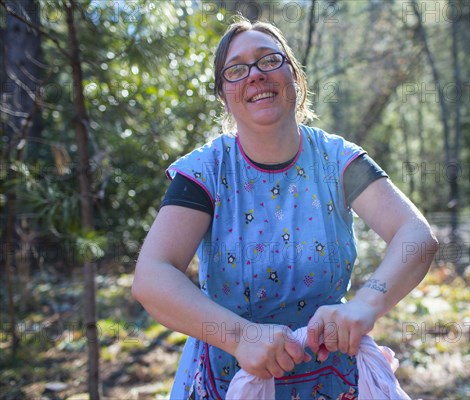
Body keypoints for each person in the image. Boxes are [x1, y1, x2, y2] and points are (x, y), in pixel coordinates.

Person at [132, 16, 438, 400]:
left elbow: (416, 235)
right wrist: (241, 336)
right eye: (237, 69)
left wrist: (367, 302)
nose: (256, 75)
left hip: (333, 377)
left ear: (295, 76)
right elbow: (151, 275)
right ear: (223, 95)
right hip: (232, 377)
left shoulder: (337, 160)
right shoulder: (205, 171)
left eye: (268, 60)